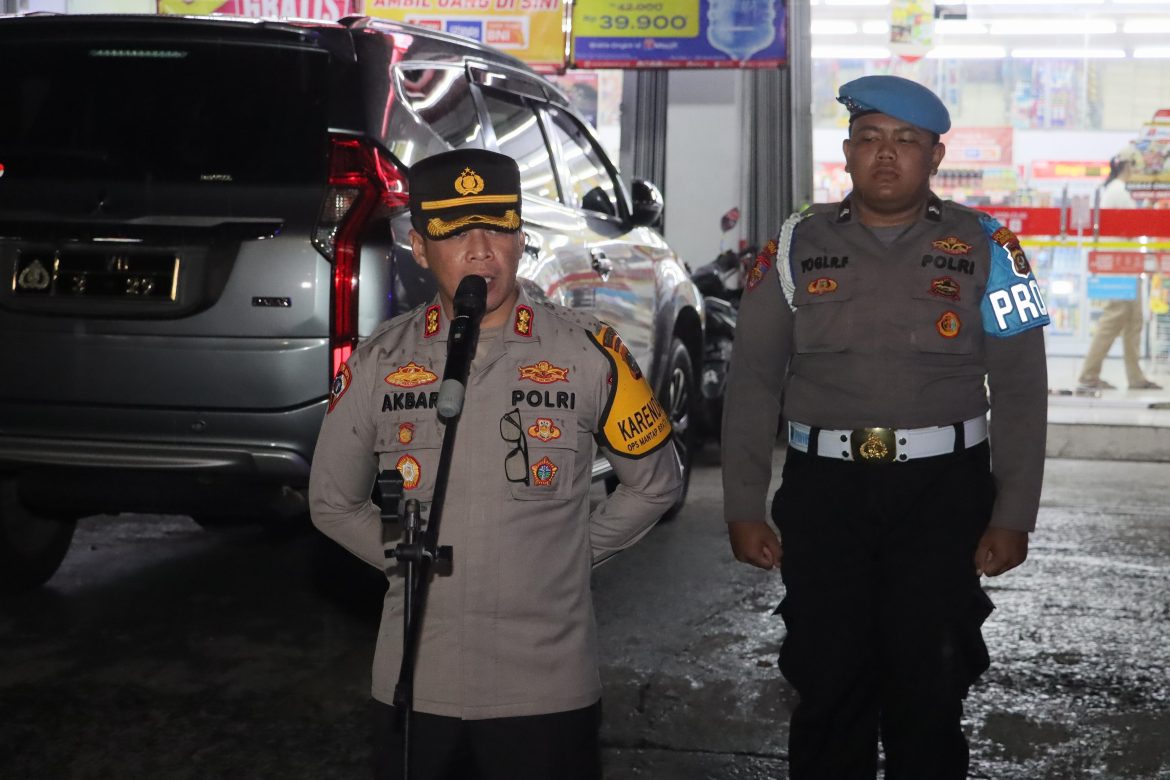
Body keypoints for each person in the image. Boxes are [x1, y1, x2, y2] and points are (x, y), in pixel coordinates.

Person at [309, 148, 683, 780]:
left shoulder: (590, 352)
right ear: (421, 248)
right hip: (416, 681)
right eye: (455, 231)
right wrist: (410, 558)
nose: (480, 249)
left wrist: (569, 552)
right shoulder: (379, 361)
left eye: (498, 227)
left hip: (547, 688)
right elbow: (332, 503)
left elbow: (656, 483)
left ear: (521, 239)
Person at [721, 75, 1050, 779]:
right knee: (827, 682)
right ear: (847, 152)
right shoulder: (792, 247)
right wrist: (742, 505)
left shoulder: (990, 245)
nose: (887, 156)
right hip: (825, 492)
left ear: (936, 155)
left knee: (929, 688)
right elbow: (752, 379)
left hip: (944, 494)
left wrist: (1013, 512)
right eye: (870, 140)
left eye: (906, 141)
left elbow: (1021, 386)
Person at [1077, 148, 1162, 391]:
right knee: (1114, 317)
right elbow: (1133, 228)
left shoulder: (1115, 190)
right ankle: (1089, 374)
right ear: (1127, 166)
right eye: (1135, 166)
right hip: (1120, 268)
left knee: (1134, 320)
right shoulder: (1118, 191)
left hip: (1126, 267)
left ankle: (1135, 377)